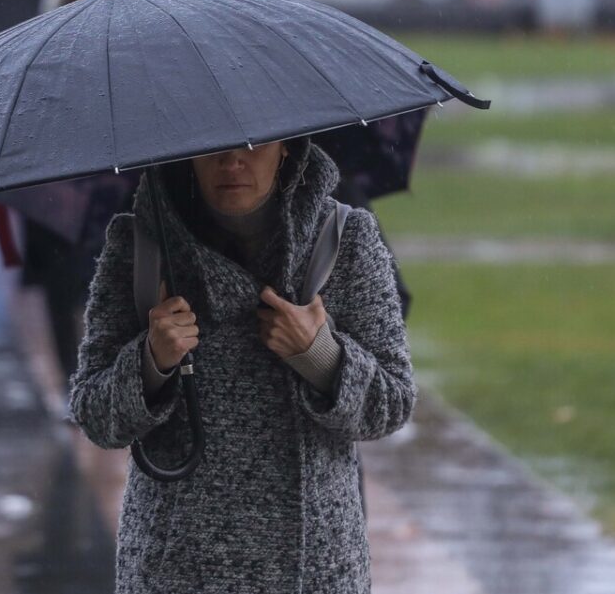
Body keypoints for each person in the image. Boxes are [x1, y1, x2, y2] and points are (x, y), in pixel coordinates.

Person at [68, 136, 416, 593]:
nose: (231, 160)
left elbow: (391, 405)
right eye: (212, 144)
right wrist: (151, 361)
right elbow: (93, 414)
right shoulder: (139, 247)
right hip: (174, 566)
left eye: (255, 144)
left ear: (288, 146)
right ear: (186, 151)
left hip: (312, 566)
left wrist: (319, 354)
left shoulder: (345, 239)